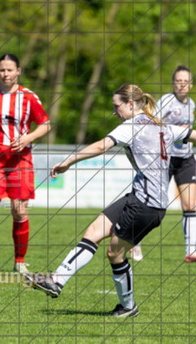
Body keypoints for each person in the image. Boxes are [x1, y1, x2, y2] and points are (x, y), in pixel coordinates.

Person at [25, 84, 196, 318]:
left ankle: (128, 307)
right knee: (94, 230)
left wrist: (68, 161)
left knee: (115, 254)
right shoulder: (161, 125)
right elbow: (191, 134)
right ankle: (56, 281)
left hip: (147, 205)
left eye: (117, 106)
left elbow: (101, 145)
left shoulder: (131, 126)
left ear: (130, 103)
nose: (115, 112)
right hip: (139, 196)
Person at [0, 54, 51, 274]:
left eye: (9, 70)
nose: (5, 74)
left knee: (19, 210)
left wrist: (27, 138)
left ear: (18, 71)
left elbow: (45, 124)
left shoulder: (28, 97)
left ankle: (19, 260)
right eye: (2, 70)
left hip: (20, 159)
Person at [152, 65, 196, 263]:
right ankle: (135, 242)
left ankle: (191, 250)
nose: (182, 85)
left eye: (185, 82)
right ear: (173, 83)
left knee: (190, 205)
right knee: (154, 205)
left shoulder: (192, 104)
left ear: (191, 84)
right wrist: (178, 130)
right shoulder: (166, 101)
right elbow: (153, 125)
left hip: (186, 159)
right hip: (166, 158)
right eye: (179, 81)